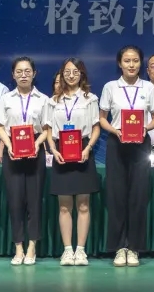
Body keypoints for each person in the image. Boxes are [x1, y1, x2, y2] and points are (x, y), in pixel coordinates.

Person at [99, 46, 154, 267]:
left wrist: (145, 128)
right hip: (117, 143)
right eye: (127, 61)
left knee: (138, 196)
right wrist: (115, 131)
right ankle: (119, 248)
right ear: (120, 63)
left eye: (135, 60)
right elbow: (102, 118)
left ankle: (134, 248)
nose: (131, 65)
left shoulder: (148, 87)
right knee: (117, 196)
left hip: (140, 145)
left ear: (140, 63)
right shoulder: (110, 87)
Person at [0, 57, 50, 265]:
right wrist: (8, 145)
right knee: (15, 201)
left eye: (27, 71)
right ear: (13, 75)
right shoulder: (6, 99)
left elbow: (47, 128)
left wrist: (36, 144)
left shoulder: (43, 99)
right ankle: (18, 247)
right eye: (19, 71)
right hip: (12, 150)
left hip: (35, 149)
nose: (23, 75)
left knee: (34, 201)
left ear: (34, 74)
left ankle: (32, 247)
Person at [43, 58, 101, 267]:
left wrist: (88, 148)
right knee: (64, 205)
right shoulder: (53, 101)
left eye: (75, 71)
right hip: (61, 150)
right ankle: (67, 250)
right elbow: (48, 129)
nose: (71, 75)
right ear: (62, 73)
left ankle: (81, 250)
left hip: (83, 149)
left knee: (83, 204)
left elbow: (96, 127)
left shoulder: (90, 99)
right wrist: (53, 149)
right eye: (67, 71)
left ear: (81, 74)